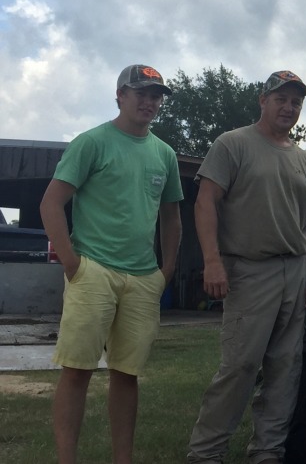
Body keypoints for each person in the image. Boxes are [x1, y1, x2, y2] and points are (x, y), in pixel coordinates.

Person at [39, 64, 183, 464]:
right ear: (119, 95)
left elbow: (172, 217)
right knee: (77, 369)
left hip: (142, 278)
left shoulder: (165, 154)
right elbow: (51, 203)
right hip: (93, 270)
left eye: (156, 96)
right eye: (140, 93)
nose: (149, 102)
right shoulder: (92, 143)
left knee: (126, 374)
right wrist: (72, 263)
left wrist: (165, 270)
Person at [187, 70, 306, 464]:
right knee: (241, 366)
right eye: (281, 99)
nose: (289, 107)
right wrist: (212, 261)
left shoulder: (303, 160)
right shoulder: (232, 144)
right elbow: (205, 202)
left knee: (285, 369)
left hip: (295, 273)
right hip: (248, 270)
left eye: (296, 102)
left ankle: (267, 451)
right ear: (262, 101)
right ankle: (206, 453)